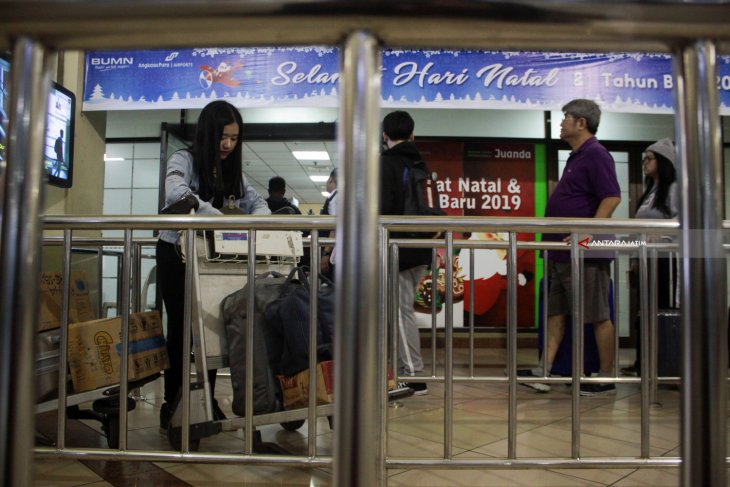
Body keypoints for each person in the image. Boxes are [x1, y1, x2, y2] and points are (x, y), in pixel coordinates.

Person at [156, 100, 271, 430]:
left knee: (209, 329)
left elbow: (257, 202)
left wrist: (262, 222)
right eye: (223, 137)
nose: (228, 145)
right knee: (180, 328)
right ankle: (173, 401)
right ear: (208, 133)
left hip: (211, 257)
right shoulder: (184, 159)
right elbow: (175, 191)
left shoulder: (233, 169)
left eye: (235, 138)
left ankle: (203, 399)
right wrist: (219, 218)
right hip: (175, 254)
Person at [518, 99, 621, 396]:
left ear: (581, 123)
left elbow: (612, 197)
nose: (561, 123)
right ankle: (545, 371)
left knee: (598, 313)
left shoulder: (597, 155)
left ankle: (606, 375)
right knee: (555, 313)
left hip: (584, 252)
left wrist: (586, 234)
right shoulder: (576, 156)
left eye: (566, 118)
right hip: (561, 252)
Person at [380, 110, 432, 395]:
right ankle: (402, 369)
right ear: (412, 135)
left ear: (385, 136)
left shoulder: (385, 165)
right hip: (420, 248)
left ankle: (413, 374)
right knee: (401, 311)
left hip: (398, 247)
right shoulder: (420, 163)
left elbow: (382, 208)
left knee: (400, 313)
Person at [622, 138, 679, 376]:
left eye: (649, 158)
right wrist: (635, 259)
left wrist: (663, 238)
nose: (644, 163)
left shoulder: (676, 189)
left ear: (664, 161)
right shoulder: (650, 191)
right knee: (644, 311)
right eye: (643, 159)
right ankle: (645, 363)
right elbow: (640, 230)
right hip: (647, 260)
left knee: (664, 309)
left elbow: (683, 223)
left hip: (668, 261)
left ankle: (666, 364)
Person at [320, 168, 337, 280]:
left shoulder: (336, 198)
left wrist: (326, 253)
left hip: (333, 254)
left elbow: (334, 228)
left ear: (331, 179)